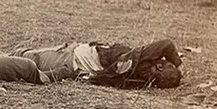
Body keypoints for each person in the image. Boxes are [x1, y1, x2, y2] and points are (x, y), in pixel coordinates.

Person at [13, 38, 184, 89]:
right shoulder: (138, 82)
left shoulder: (136, 59)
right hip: (73, 64)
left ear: (160, 66)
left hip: (70, 57)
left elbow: (167, 44)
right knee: (22, 59)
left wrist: (176, 63)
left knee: (22, 57)